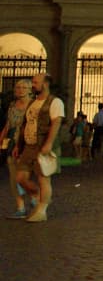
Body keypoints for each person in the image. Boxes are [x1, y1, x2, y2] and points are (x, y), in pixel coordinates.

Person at [12, 73, 65, 222]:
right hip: (28, 146)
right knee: (20, 177)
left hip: (43, 146)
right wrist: (18, 145)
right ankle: (37, 194)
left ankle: (42, 210)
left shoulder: (55, 102)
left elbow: (56, 123)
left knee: (43, 178)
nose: (33, 84)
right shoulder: (32, 102)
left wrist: (49, 143)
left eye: (36, 82)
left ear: (45, 84)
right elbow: (25, 125)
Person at [1, 79, 30, 219]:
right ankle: (20, 207)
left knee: (24, 175)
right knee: (14, 176)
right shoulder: (12, 106)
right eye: (18, 87)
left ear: (30, 89)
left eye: (24, 87)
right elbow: (8, 125)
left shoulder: (33, 106)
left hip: (27, 142)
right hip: (12, 141)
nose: (20, 90)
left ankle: (35, 199)